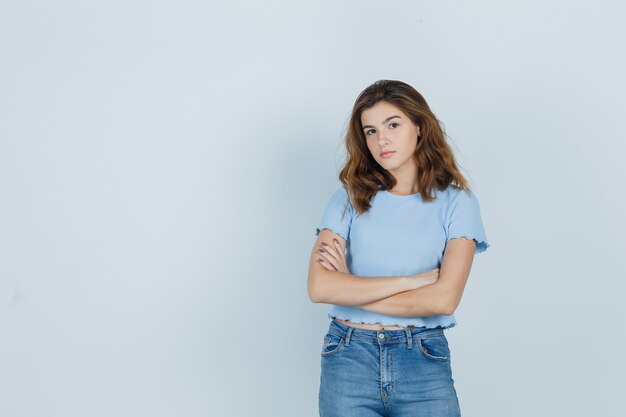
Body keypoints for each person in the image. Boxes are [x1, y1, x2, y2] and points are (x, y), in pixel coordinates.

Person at [307, 80, 490, 417]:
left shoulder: (457, 203)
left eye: (393, 124)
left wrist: (351, 288)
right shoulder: (347, 199)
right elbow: (320, 288)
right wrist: (411, 281)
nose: (382, 140)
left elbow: (443, 300)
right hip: (348, 358)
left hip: (422, 357)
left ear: (420, 127)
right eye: (371, 131)